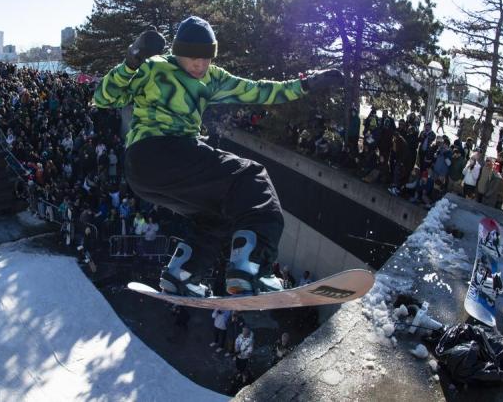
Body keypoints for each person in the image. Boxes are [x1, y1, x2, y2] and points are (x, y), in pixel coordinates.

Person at [93, 16, 343, 296]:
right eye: (192, 58)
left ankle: (184, 274)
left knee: (216, 215)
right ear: (178, 53)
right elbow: (103, 98)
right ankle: (253, 267)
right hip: (156, 151)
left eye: (206, 59)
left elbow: (260, 90)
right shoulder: (155, 67)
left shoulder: (215, 78)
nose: (199, 66)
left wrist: (307, 85)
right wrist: (131, 61)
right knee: (252, 176)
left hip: (147, 176)